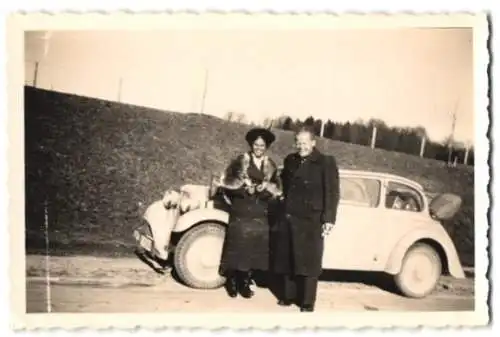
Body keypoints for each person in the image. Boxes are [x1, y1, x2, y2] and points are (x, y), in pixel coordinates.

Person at [272, 125, 340, 312]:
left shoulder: (326, 162)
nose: (301, 146)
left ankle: (307, 301)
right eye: (298, 142)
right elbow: (283, 187)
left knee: (309, 262)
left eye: (305, 143)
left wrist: (329, 219)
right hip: (289, 216)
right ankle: (288, 296)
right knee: (288, 259)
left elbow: (332, 193)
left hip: (312, 220)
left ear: (313, 143)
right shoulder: (290, 160)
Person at [215, 127, 283, 299]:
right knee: (237, 246)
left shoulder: (271, 166)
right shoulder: (240, 161)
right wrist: (245, 189)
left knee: (252, 248)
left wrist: (264, 189)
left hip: (259, 212)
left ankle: (244, 282)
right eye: (256, 145)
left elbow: (277, 189)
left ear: (266, 147)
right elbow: (227, 183)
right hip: (242, 210)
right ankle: (231, 281)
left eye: (262, 145)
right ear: (251, 145)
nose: (259, 148)